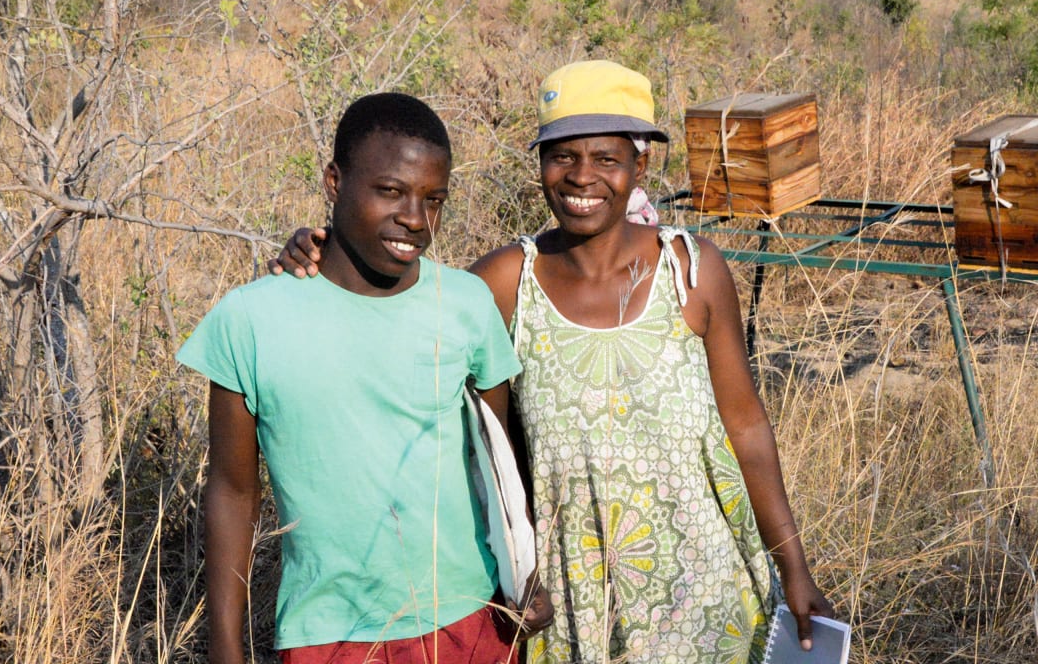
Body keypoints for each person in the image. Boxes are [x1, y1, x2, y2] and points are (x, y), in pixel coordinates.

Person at [270, 61, 835, 663]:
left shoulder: (692, 273)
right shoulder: (508, 282)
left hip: (707, 588)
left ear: (639, 168)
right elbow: (398, 301)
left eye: (606, 159)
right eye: (561, 156)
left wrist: (793, 567)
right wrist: (319, 253)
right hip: (571, 599)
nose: (582, 177)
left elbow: (746, 427)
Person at [179, 92, 551, 664]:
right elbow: (233, 492)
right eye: (391, 191)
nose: (416, 219)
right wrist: (226, 650)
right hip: (328, 631)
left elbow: (499, 463)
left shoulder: (466, 304)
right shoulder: (250, 319)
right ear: (334, 182)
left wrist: (521, 578)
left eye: (435, 199)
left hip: (469, 619)